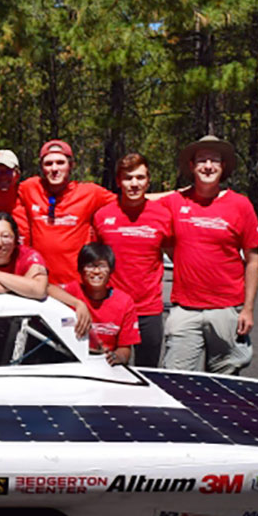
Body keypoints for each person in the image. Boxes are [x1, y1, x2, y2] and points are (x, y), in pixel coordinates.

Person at [160, 135, 258, 374]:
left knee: (224, 381)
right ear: (192, 166)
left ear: (223, 166)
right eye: (202, 160)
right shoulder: (175, 202)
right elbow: (141, 199)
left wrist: (248, 309)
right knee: (175, 378)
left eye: (214, 160)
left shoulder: (240, 205)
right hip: (185, 309)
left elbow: (253, 260)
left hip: (227, 309)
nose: (208, 166)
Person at [92, 153, 173, 366]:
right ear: (119, 181)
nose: (134, 184)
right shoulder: (102, 216)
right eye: (128, 178)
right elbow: (93, 262)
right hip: (111, 306)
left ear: (148, 180)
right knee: (109, 370)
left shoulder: (163, 215)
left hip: (149, 309)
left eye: (140, 177)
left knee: (148, 373)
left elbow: (179, 258)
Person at [16, 140, 116, 286]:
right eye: (48, 164)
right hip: (40, 283)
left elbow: (127, 201)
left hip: (77, 284)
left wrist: (162, 199)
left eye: (60, 162)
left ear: (71, 165)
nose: (54, 168)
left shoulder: (90, 193)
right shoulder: (30, 188)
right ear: (42, 168)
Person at [48, 244, 140, 366]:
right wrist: (78, 304)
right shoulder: (71, 292)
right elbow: (45, 288)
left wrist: (116, 356)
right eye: (90, 266)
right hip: (70, 362)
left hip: (105, 365)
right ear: (81, 270)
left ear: (111, 270)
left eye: (102, 266)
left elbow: (125, 349)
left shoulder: (124, 302)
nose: (96, 271)